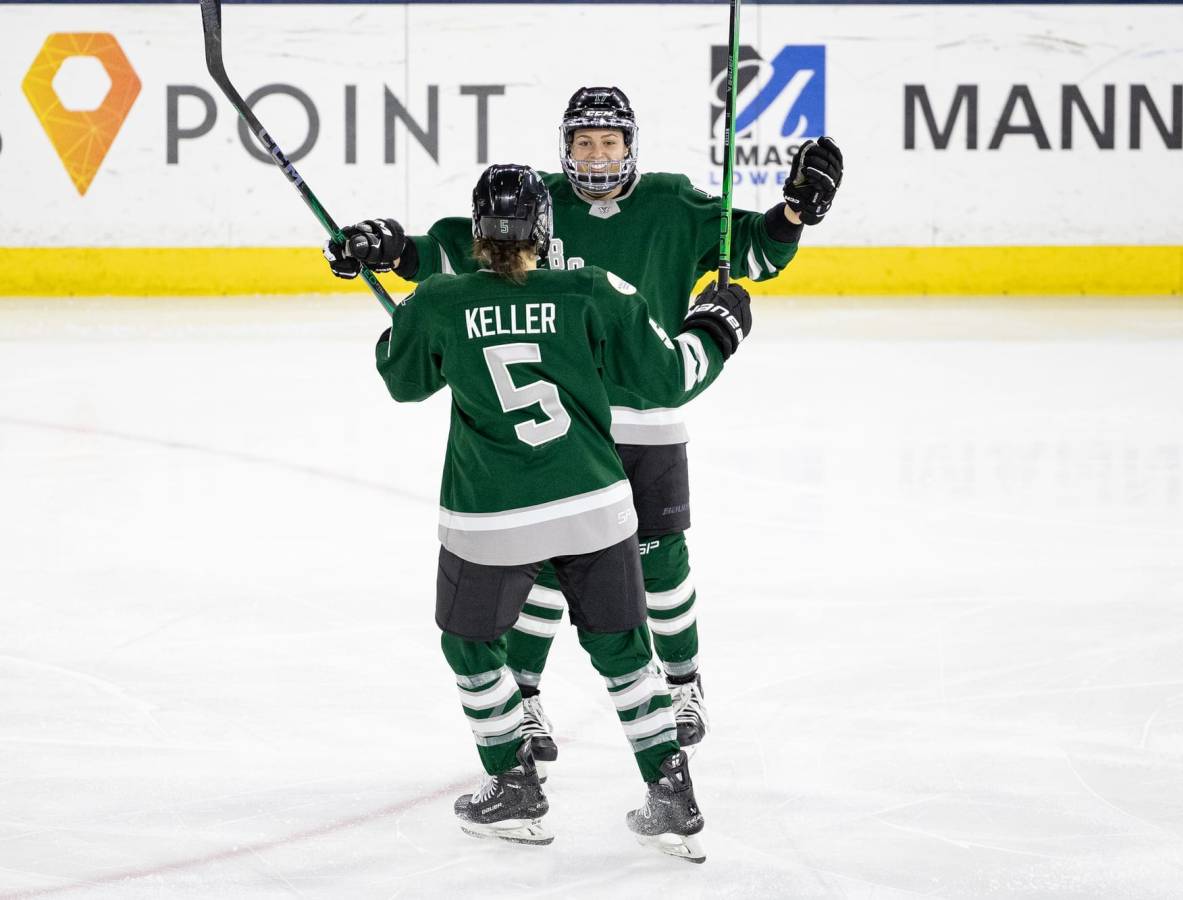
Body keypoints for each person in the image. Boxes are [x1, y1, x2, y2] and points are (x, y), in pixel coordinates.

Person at [327, 86, 843, 773]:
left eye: (610, 141)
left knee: (661, 555)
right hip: (573, 425)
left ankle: (683, 684)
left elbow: (755, 253)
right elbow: (454, 250)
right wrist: (387, 248)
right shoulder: (536, 205)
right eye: (583, 142)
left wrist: (793, 212)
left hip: (648, 414)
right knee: (543, 559)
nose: (596, 154)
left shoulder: (674, 203)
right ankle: (529, 692)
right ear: (563, 147)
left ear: (632, 145)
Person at [369, 163, 752, 861]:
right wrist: (716, 332)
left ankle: (513, 785)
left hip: (490, 517)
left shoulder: (439, 300)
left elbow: (402, 379)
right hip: (595, 505)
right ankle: (671, 793)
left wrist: (403, 321)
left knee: (472, 648)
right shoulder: (590, 290)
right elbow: (668, 377)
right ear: (545, 230)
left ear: (479, 231)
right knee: (626, 655)